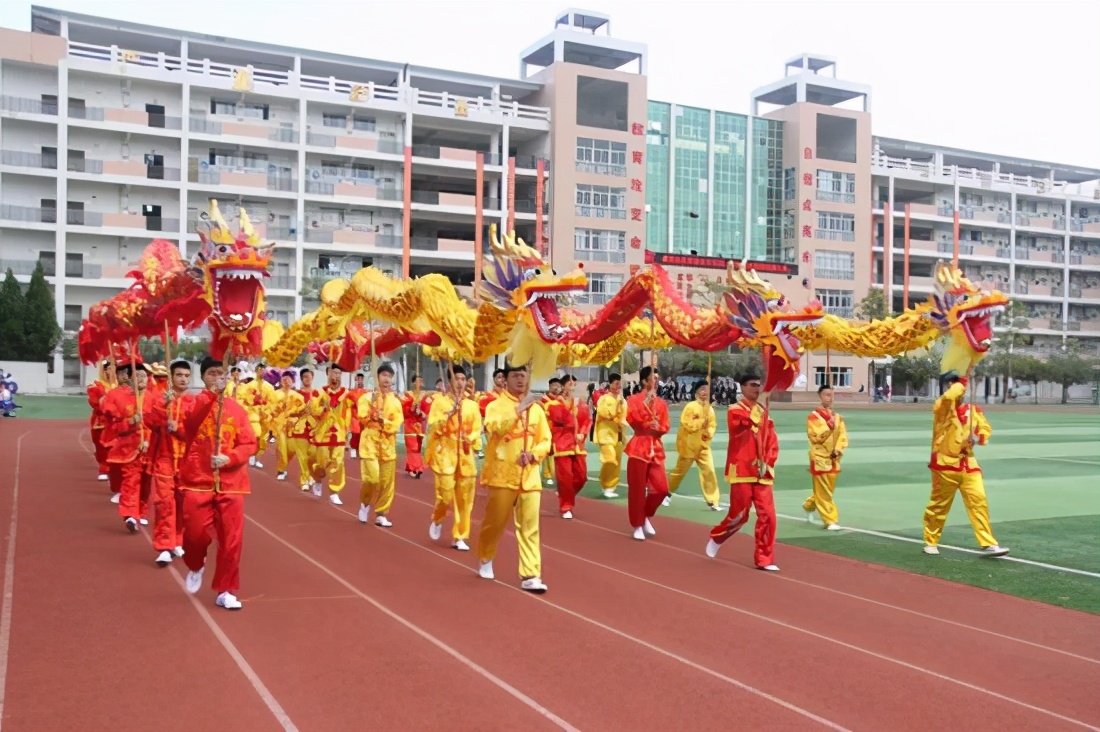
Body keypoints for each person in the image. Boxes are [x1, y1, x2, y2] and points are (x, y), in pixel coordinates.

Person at [176, 356, 258, 610]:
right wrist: (211, 396)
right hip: (197, 481)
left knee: (232, 539)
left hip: (232, 483)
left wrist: (230, 458)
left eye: (222, 373)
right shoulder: (191, 403)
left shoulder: (237, 409)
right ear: (203, 377)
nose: (218, 377)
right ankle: (195, 563)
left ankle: (226, 589)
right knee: (194, 534)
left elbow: (249, 443)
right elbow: (188, 423)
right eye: (212, 373)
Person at [476, 364, 551, 593]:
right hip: (503, 475)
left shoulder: (537, 409)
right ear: (505, 379)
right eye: (515, 376)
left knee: (530, 526)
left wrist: (534, 454)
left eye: (524, 375)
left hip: (529, 476)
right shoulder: (495, 406)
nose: (520, 380)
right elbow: (494, 428)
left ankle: (530, 574)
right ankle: (486, 556)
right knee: (495, 522)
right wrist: (518, 410)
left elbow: (546, 440)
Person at [923, 372, 1009, 557]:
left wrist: (979, 437)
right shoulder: (942, 407)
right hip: (945, 465)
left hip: (968, 464)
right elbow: (949, 396)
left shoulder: (973, 409)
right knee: (939, 506)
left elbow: (985, 427)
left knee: (979, 502)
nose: (961, 391)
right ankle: (931, 541)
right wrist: (961, 380)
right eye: (955, 385)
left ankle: (987, 543)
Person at [705, 372, 780, 571]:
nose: (757, 388)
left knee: (768, 516)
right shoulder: (734, 410)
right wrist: (761, 409)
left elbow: (772, 439)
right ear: (743, 387)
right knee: (740, 515)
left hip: (762, 472)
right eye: (753, 385)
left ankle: (764, 558)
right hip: (741, 469)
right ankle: (717, 537)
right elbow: (747, 422)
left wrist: (769, 461)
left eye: (759, 385)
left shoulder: (764, 412)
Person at [425, 365, 482, 549]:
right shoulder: (440, 402)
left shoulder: (472, 405)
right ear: (450, 380)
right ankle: (438, 517)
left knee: (465, 498)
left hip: (465, 455)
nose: (460, 382)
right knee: (445, 494)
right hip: (445, 453)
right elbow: (433, 426)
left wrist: (470, 438)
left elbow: (477, 428)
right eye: (456, 378)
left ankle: (460, 536)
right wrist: (448, 416)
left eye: (463, 379)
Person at [145, 359, 194, 566]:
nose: (183, 379)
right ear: (171, 377)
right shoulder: (161, 398)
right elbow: (150, 421)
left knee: (183, 503)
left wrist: (180, 428)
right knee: (164, 501)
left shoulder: (194, 402)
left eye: (186, 376)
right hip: (164, 457)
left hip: (187, 461)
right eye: (179, 375)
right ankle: (164, 545)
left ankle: (178, 539)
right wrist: (164, 407)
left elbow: (196, 432)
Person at [101, 361, 153, 533]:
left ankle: (140, 512)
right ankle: (129, 514)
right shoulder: (118, 397)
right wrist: (130, 422)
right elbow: (113, 427)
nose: (140, 379)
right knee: (131, 481)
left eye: (143, 376)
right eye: (136, 376)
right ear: (129, 379)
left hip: (151, 449)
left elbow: (160, 424)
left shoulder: (156, 398)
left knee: (146, 485)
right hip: (129, 448)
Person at [624, 365, 671, 541]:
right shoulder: (633, 400)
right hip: (639, 446)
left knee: (661, 489)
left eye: (657, 379)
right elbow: (632, 420)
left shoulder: (661, 403)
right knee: (636, 488)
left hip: (655, 448)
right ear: (644, 381)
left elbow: (665, 425)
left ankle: (645, 515)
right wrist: (646, 418)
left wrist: (659, 428)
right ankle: (637, 523)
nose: (656, 382)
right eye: (653, 379)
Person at [357, 363, 404, 526]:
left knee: (386, 482)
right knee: (372, 478)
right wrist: (372, 414)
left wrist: (383, 419)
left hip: (387, 446)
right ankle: (364, 503)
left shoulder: (396, 402)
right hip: (370, 443)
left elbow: (396, 423)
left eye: (389, 376)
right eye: (383, 375)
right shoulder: (367, 398)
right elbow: (361, 417)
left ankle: (381, 513)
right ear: (377, 378)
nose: (386, 379)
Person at [667, 380, 721, 511]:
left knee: (709, 471)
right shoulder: (691, 406)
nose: (705, 392)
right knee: (679, 472)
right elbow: (687, 423)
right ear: (696, 391)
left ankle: (713, 500)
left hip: (703, 446)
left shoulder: (710, 410)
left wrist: (708, 433)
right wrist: (700, 424)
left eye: (707, 389)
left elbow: (712, 426)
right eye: (702, 389)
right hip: (688, 445)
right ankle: (666, 493)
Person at [307, 364, 355, 504]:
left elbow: (351, 411)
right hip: (322, 434)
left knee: (338, 462)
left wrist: (347, 429)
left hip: (339, 433)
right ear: (328, 374)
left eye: (338, 373)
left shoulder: (346, 394)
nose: (336, 376)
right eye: (333, 373)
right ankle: (317, 479)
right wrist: (323, 408)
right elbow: (313, 410)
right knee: (321, 463)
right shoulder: (318, 392)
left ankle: (334, 491)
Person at [802, 384, 848, 531]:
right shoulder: (813, 416)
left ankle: (809, 505)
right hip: (820, 458)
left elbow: (843, 436)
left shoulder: (837, 417)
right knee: (825, 492)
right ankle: (830, 520)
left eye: (832, 395)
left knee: (827, 490)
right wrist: (829, 428)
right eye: (827, 395)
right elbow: (816, 437)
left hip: (834, 459)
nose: (830, 398)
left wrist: (838, 450)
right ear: (820, 396)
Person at [546, 375, 590, 519]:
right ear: (563, 385)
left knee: (581, 477)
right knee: (565, 477)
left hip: (577, 444)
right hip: (562, 443)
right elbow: (559, 419)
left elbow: (587, 420)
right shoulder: (553, 404)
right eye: (570, 382)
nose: (573, 385)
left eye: (574, 383)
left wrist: (582, 433)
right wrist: (569, 409)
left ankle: (565, 493)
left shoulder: (579, 403)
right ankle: (566, 506)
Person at [594, 373, 628, 499]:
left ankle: (610, 486)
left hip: (618, 434)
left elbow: (624, 416)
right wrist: (615, 411)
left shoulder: (622, 400)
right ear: (610, 384)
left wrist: (621, 410)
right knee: (610, 459)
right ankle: (604, 480)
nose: (617, 386)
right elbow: (603, 413)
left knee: (617, 462)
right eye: (615, 383)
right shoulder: (603, 399)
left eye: (619, 384)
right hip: (605, 434)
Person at [288, 368, 319, 492]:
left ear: (312, 378)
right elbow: (290, 412)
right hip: (300, 428)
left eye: (309, 376)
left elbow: (323, 412)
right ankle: (304, 479)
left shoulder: (317, 393)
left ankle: (311, 474)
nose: (307, 379)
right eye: (305, 376)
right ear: (301, 379)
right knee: (302, 456)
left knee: (314, 455)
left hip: (314, 428)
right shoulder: (296, 395)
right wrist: (301, 411)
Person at [269, 371, 302, 481]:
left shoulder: (298, 396)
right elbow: (270, 408)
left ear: (292, 381)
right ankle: (281, 470)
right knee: (282, 446)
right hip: (280, 426)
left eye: (288, 380)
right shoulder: (275, 394)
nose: (286, 382)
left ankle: (284, 463)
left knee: (291, 450)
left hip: (293, 426)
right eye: (284, 380)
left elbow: (301, 412)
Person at [87, 360, 116, 486]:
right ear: (105, 370)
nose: (114, 371)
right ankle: (103, 468)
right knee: (101, 446)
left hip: (117, 422)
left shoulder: (122, 385)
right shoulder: (96, 385)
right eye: (111, 368)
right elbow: (95, 403)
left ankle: (112, 469)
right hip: (101, 421)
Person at [400, 374, 426, 478]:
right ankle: (416, 468)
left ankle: (412, 467)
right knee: (412, 447)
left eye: (421, 381)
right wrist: (411, 408)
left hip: (419, 426)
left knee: (418, 448)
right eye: (418, 381)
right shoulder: (408, 395)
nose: (420, 383)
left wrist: (420, 412)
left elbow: (425, 412)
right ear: (413, 382)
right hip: (409, 425)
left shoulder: (423, 396)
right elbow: (403, 411)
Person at [347, 372, 367, 460]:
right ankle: (353, 450)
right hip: (354, 417)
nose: (359, 381)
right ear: (355, 380)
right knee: (355, 434)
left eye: (361, 379)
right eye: (358, 379)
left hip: (363, 417)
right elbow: (347, 403)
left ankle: (360, 451)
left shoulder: (366, 392)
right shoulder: (351, 392)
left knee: (362, 435)